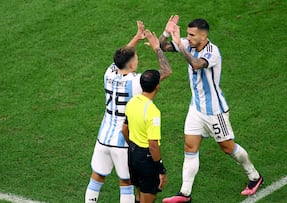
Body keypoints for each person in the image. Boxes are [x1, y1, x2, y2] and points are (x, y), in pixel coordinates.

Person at [159, 16, 263, 203]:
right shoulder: (188, 44)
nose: (188, 38)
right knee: (190, 147)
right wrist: (167, 32)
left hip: (215, 112)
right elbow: (162, 47)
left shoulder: (212, 52)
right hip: (196, 109)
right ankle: (185, 194)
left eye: (192, 35)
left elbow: (196, 64)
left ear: (204, 36)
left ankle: (254, 176)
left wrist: (180, 46)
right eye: (187, 34)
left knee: (227, 147)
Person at [84, 20, 172, 203]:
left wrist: (136, 38)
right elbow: (165, 70)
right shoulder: (136, 82)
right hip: (123, 140)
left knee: (96, 177)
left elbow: (120, 58)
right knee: (126, 183)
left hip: (103, 137)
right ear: (131, 64)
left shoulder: (108, 73)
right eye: (136, 58)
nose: (137, 59)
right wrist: (157, 48)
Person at [122, 69, 167, 203]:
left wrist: (132, 146)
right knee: (148, 197)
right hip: (146, 159)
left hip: (133, 154)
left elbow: (124, 129)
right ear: (157, 86)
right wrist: (161, 169)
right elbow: (153, 145)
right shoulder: (152, 111)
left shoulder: (132, 101)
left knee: (139, 194)